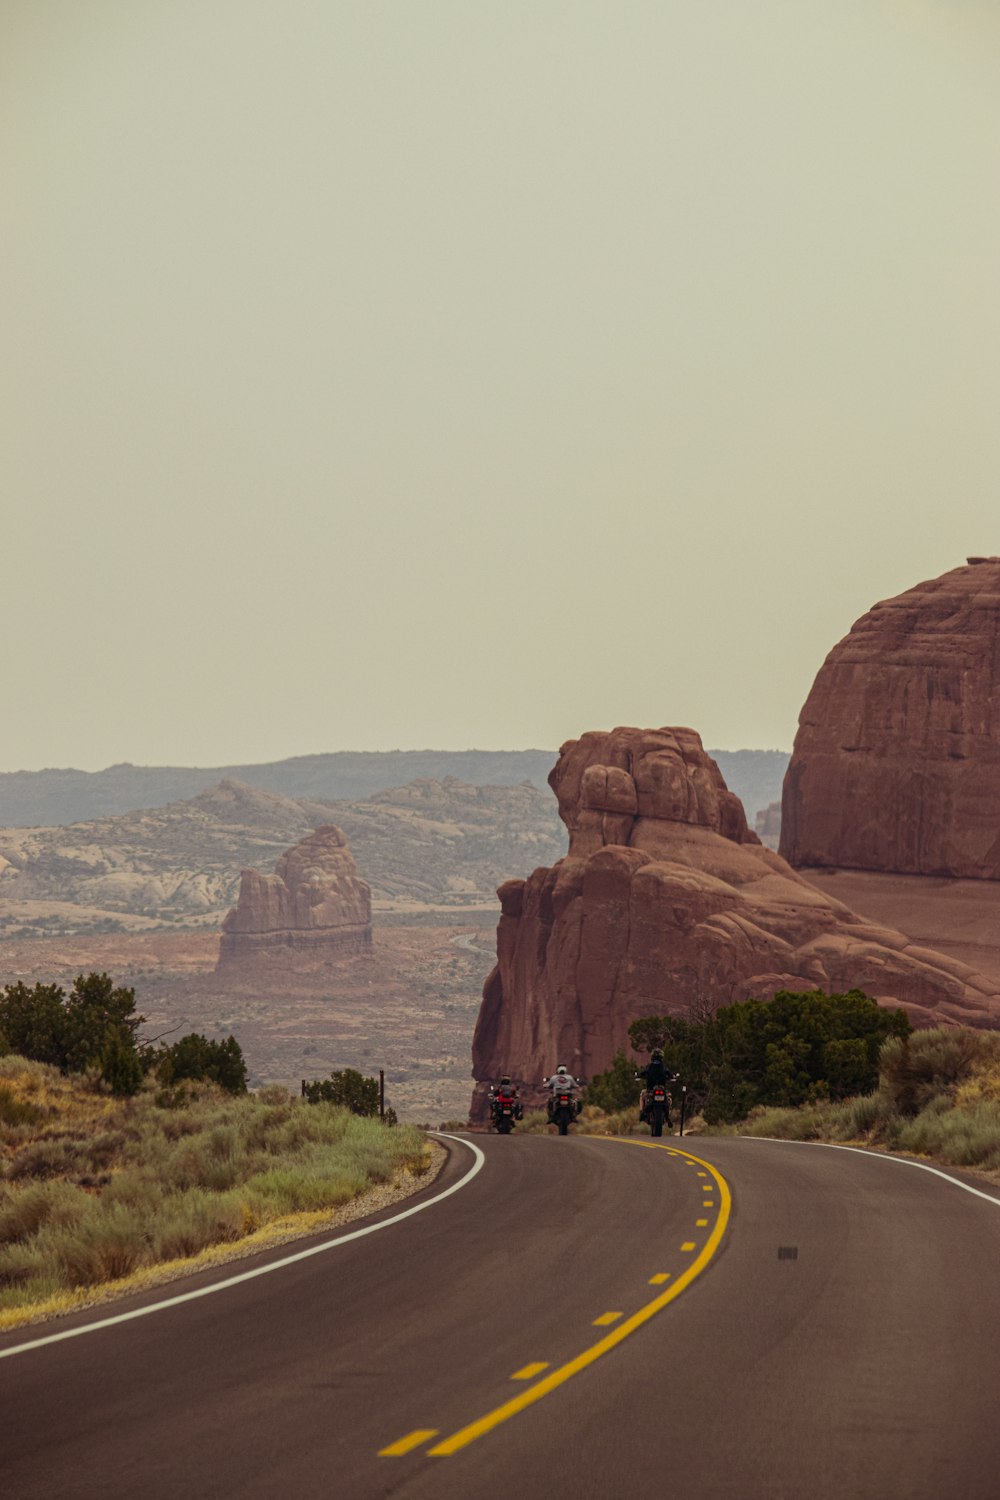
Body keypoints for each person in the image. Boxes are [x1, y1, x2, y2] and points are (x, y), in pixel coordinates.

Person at [637, 1049, 675, 1126]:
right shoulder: (663, 1066)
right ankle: (668, 1116)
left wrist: (638, 1076)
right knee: (669, 1099)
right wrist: (673, 1077)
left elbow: (643, 1073)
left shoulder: (649, 1066)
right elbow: (670, 1074)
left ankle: (642, 1113)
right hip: (662, 1088)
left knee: (642, 1095)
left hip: (651, 1089)